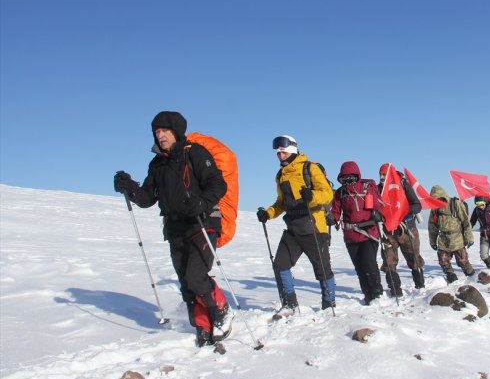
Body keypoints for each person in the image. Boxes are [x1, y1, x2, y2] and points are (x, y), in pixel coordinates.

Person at [113, 111, 233, 347]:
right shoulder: (157, 163)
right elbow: (148, 198)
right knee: (186, 282)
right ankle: (202, 324)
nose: (160, 136)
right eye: (157, 132)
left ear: (176, 132)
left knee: (195, 276)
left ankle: (221, 311)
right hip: (175, 226)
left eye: (165, 131)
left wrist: (201, 202)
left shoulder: (195, 153)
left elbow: (218, 184)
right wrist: (131, 188)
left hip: (203, 221)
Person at [256, 135, 336, 314]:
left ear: (292, 148)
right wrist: (268, 213)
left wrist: (312, 196)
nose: (279, 153)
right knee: (280, 265)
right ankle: (289, 305)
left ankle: (329, 304)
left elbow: (327, 193)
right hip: (292, 227)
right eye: (277, 151)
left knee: (323, 269)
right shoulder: (281, 174)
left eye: (282, 150)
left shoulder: (310, 168)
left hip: (313, 226)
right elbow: (281, 203)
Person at [331, 161, 384, 305]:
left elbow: (379, 205)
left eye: (351, 178)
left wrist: (378, 213)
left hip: (369, 233)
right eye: (344, 178)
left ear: (357, 176)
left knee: (369, 264)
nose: (347, 181)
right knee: (359, 268)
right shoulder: (340, 193)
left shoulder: (368, 187)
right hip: (350, 236)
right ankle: (368, 296)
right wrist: (331, 219)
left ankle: (377, 294)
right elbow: (335, 212)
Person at [377, 164, 424, 295]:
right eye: (380, 174)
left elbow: (417, 205)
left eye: (384, 175)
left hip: (407, 229)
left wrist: (402, 211)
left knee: (414, 259)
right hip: (388, 231)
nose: (381, 177)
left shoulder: (403, 185)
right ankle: (395, 290)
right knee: (389, 260)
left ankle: (420, 286)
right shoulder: (378, 189)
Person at [428, 185, 475, 283]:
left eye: (439, 199)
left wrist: (469, 237)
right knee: (443, 261)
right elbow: (432, 226)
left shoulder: (455, 203)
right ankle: (451, 276)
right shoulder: (434, 209)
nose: (437, 201)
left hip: (457, 238)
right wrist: (432, 241)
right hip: (443, 239)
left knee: (463, 261)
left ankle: (472, 277)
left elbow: (466, 222)